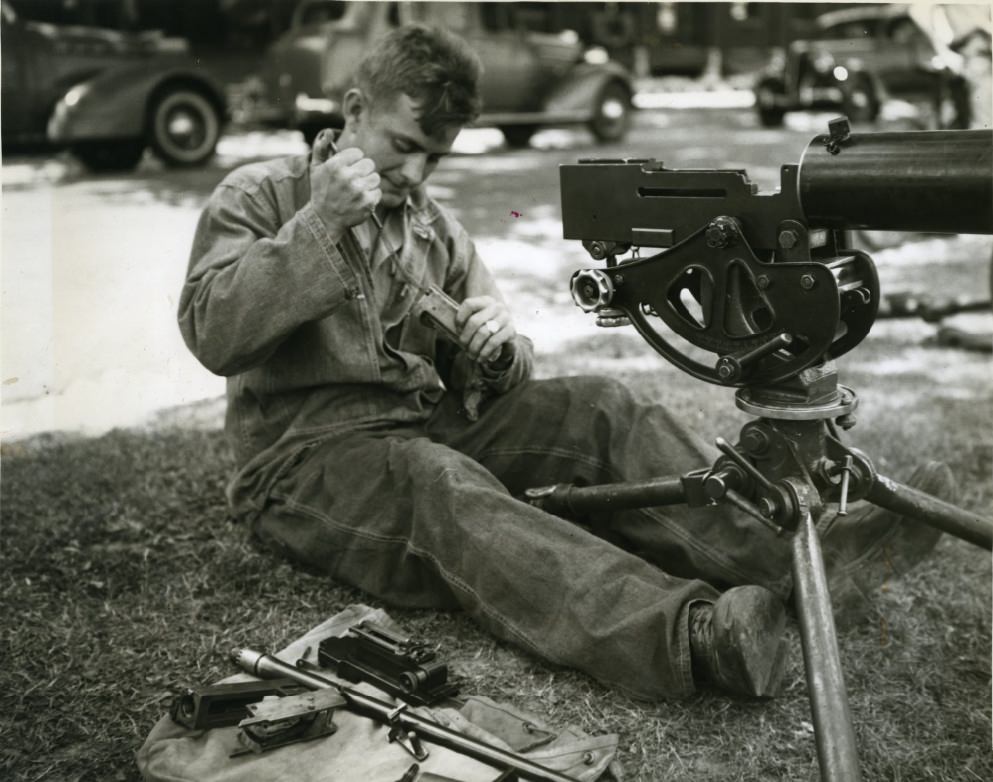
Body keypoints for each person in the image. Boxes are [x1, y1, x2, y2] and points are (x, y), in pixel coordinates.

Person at [179, 24, 952, 701]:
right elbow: (213, 332)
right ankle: (690, 636)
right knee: (441, 484)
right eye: (402, 147)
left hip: (426, 425)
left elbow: (500, 370)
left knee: (599, 407)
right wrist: (321, 222)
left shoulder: (431, 227)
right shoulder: (262, 196)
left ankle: (792, 562)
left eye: (434, 158)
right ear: (352, 113)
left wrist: (496, 351)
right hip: (305, 461)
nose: (414, 175)